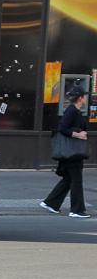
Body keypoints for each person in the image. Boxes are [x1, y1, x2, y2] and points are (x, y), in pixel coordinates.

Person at [40, 86, 90, 218]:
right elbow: (62, 128)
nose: (85, 98)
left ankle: (51, 203)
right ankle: (76, 210)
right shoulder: (72, 110)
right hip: (72, 152)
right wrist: (78, 135)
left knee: (68, 179)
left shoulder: (77, 111)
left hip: (73, 152)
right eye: (84, 96)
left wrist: (81, 132)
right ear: (80, 98)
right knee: (76, 181)